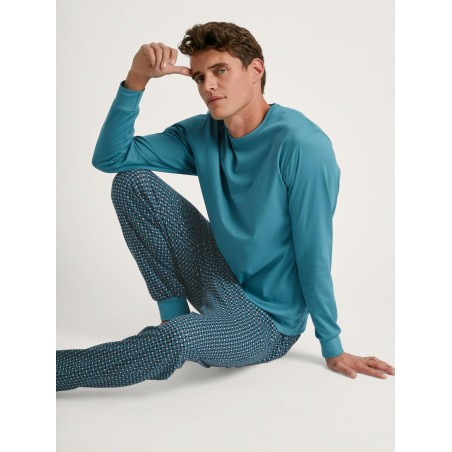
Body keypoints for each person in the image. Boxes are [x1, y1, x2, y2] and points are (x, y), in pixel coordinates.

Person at [56, 22, 394, 391]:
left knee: (176, 341)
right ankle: (173, 316)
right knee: (131, 182)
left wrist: (333, 346)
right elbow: (111, 158)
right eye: (199, 77)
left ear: (255, 70)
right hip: (218, 272)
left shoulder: (303, 146)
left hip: (265, 322)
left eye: (220, 71)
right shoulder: (201, 133)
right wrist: (137, 79)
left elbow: (314, 253)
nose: (208, 86)